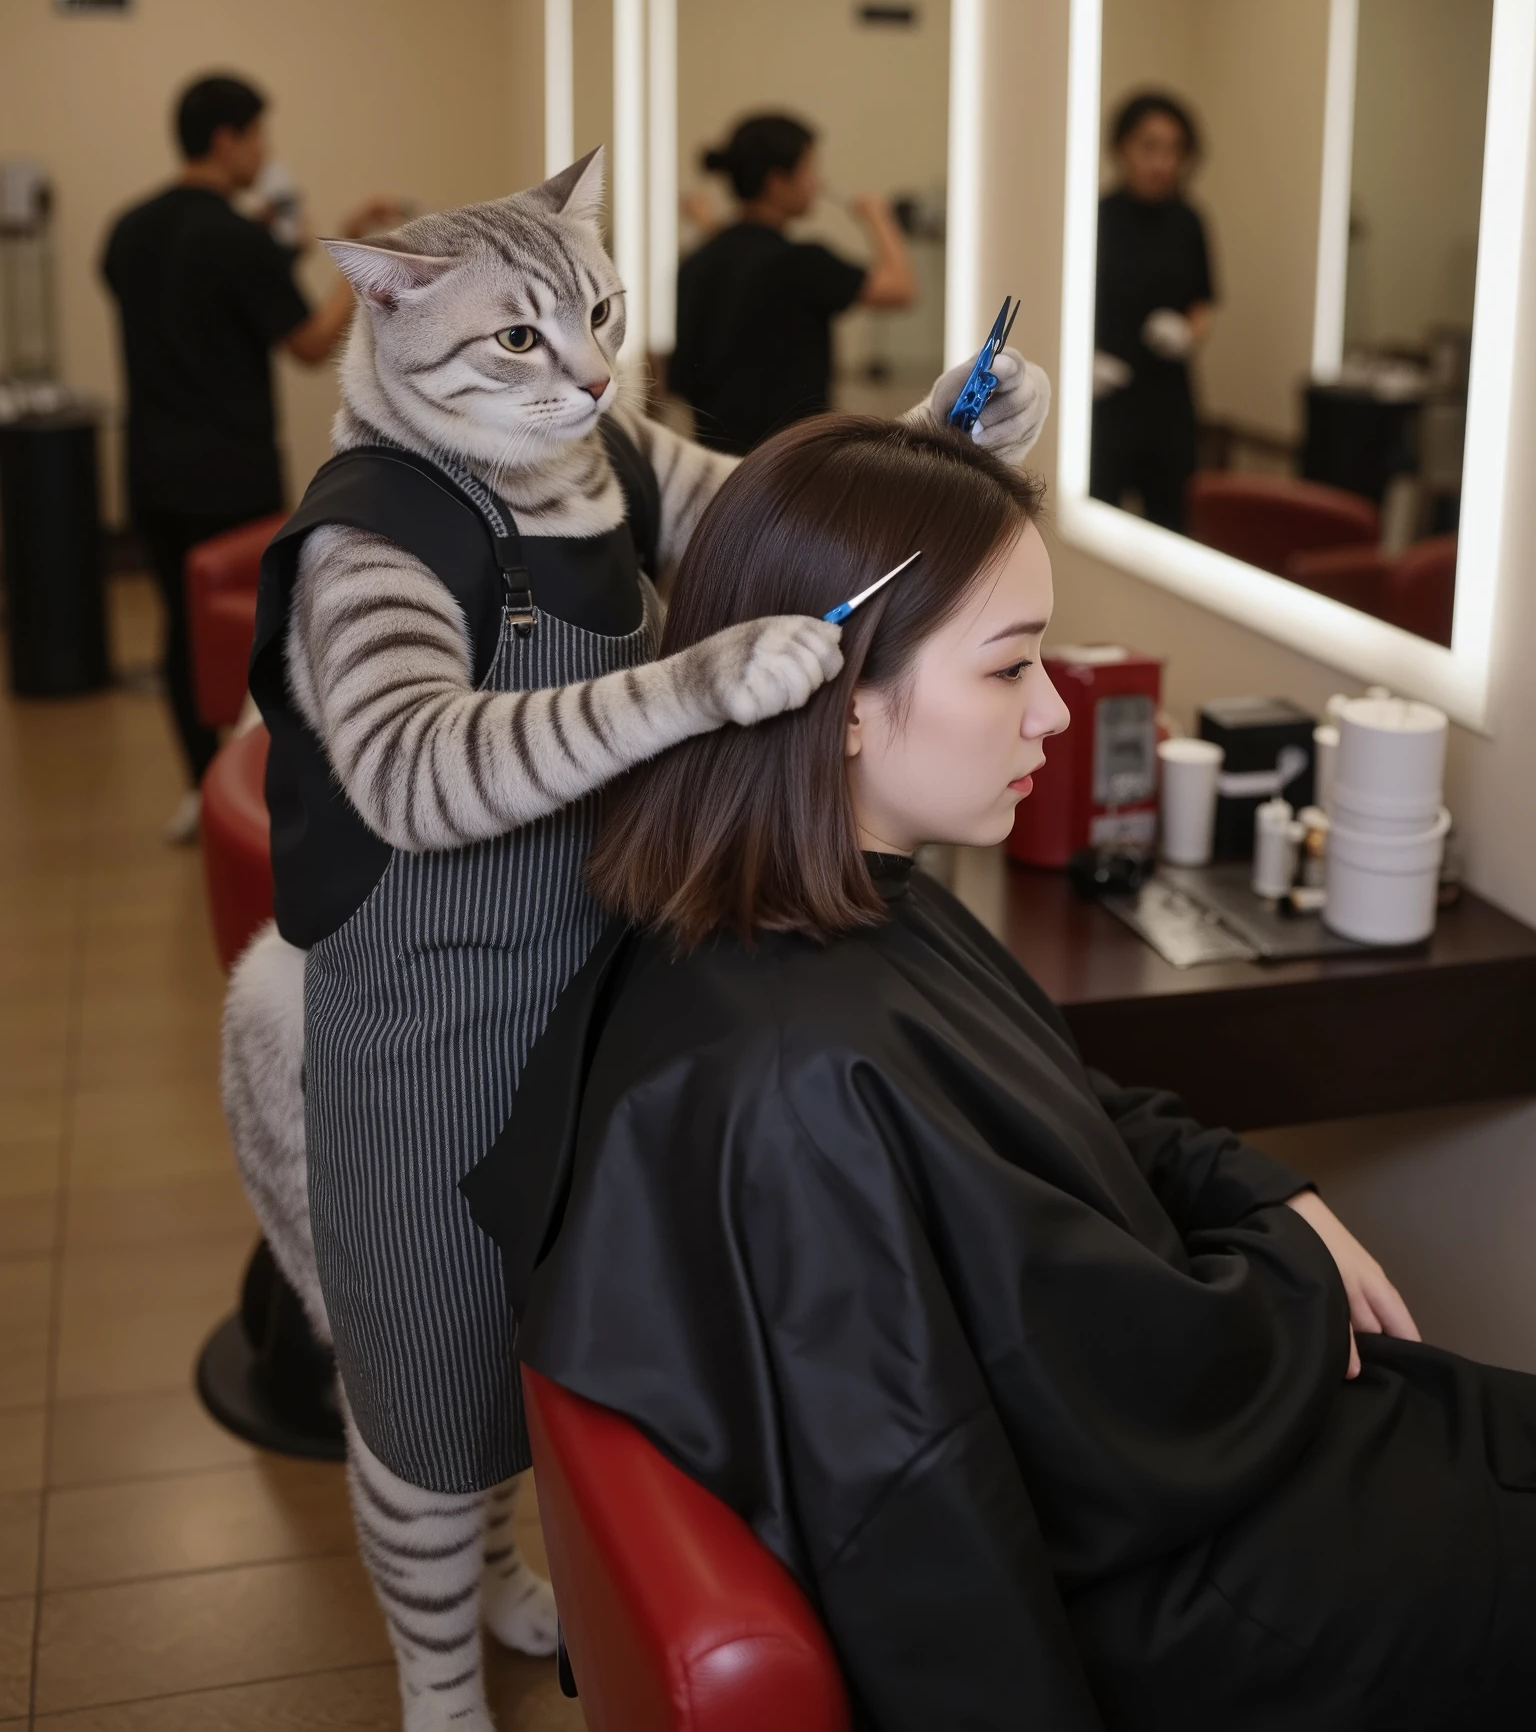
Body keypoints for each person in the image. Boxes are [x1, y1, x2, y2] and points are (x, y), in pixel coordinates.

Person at [465, 412, 1536, 1732]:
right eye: (1009, 667)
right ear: (840, 695)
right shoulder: (802, 1083)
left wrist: (1261, 1189)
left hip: (1212, 1501)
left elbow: (1067, 1107)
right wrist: (1291, 1273)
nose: (1055, 707)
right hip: (1195, 1598)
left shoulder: (822, 903)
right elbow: (1120, 1415)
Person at [101, 73, 399, 839]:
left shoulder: (129, 230)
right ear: (228, 138)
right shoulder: (235, 241)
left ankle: (202, 789)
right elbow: (306, 342)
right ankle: (256, 790)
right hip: (228, 473)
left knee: (181, 628)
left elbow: (198, 293)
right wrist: (363, 262)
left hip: (151, 471)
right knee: (258, 639)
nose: (265, 150)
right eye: (259, 136)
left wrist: (297, 237)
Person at [672, 112, 917, 455]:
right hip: (790, 468)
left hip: (716, 467)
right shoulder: (801, 263)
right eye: (809, 170)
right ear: (776, 181)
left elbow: (684, 376)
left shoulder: (697, 262)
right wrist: (879, 216)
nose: (817, 183)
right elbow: (900, 288)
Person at [1092, 91, 1215, 532]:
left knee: (1171, 522)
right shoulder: (1095, 218)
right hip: (1105, 399)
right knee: (1096, 516)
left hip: (1168, 399)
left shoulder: (1188, 221)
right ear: (1122, 147)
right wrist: (1080, 359)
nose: (1162, 162)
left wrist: (1189, 333)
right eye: (1149, 146)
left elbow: (1203, 300)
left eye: (1174, 149)